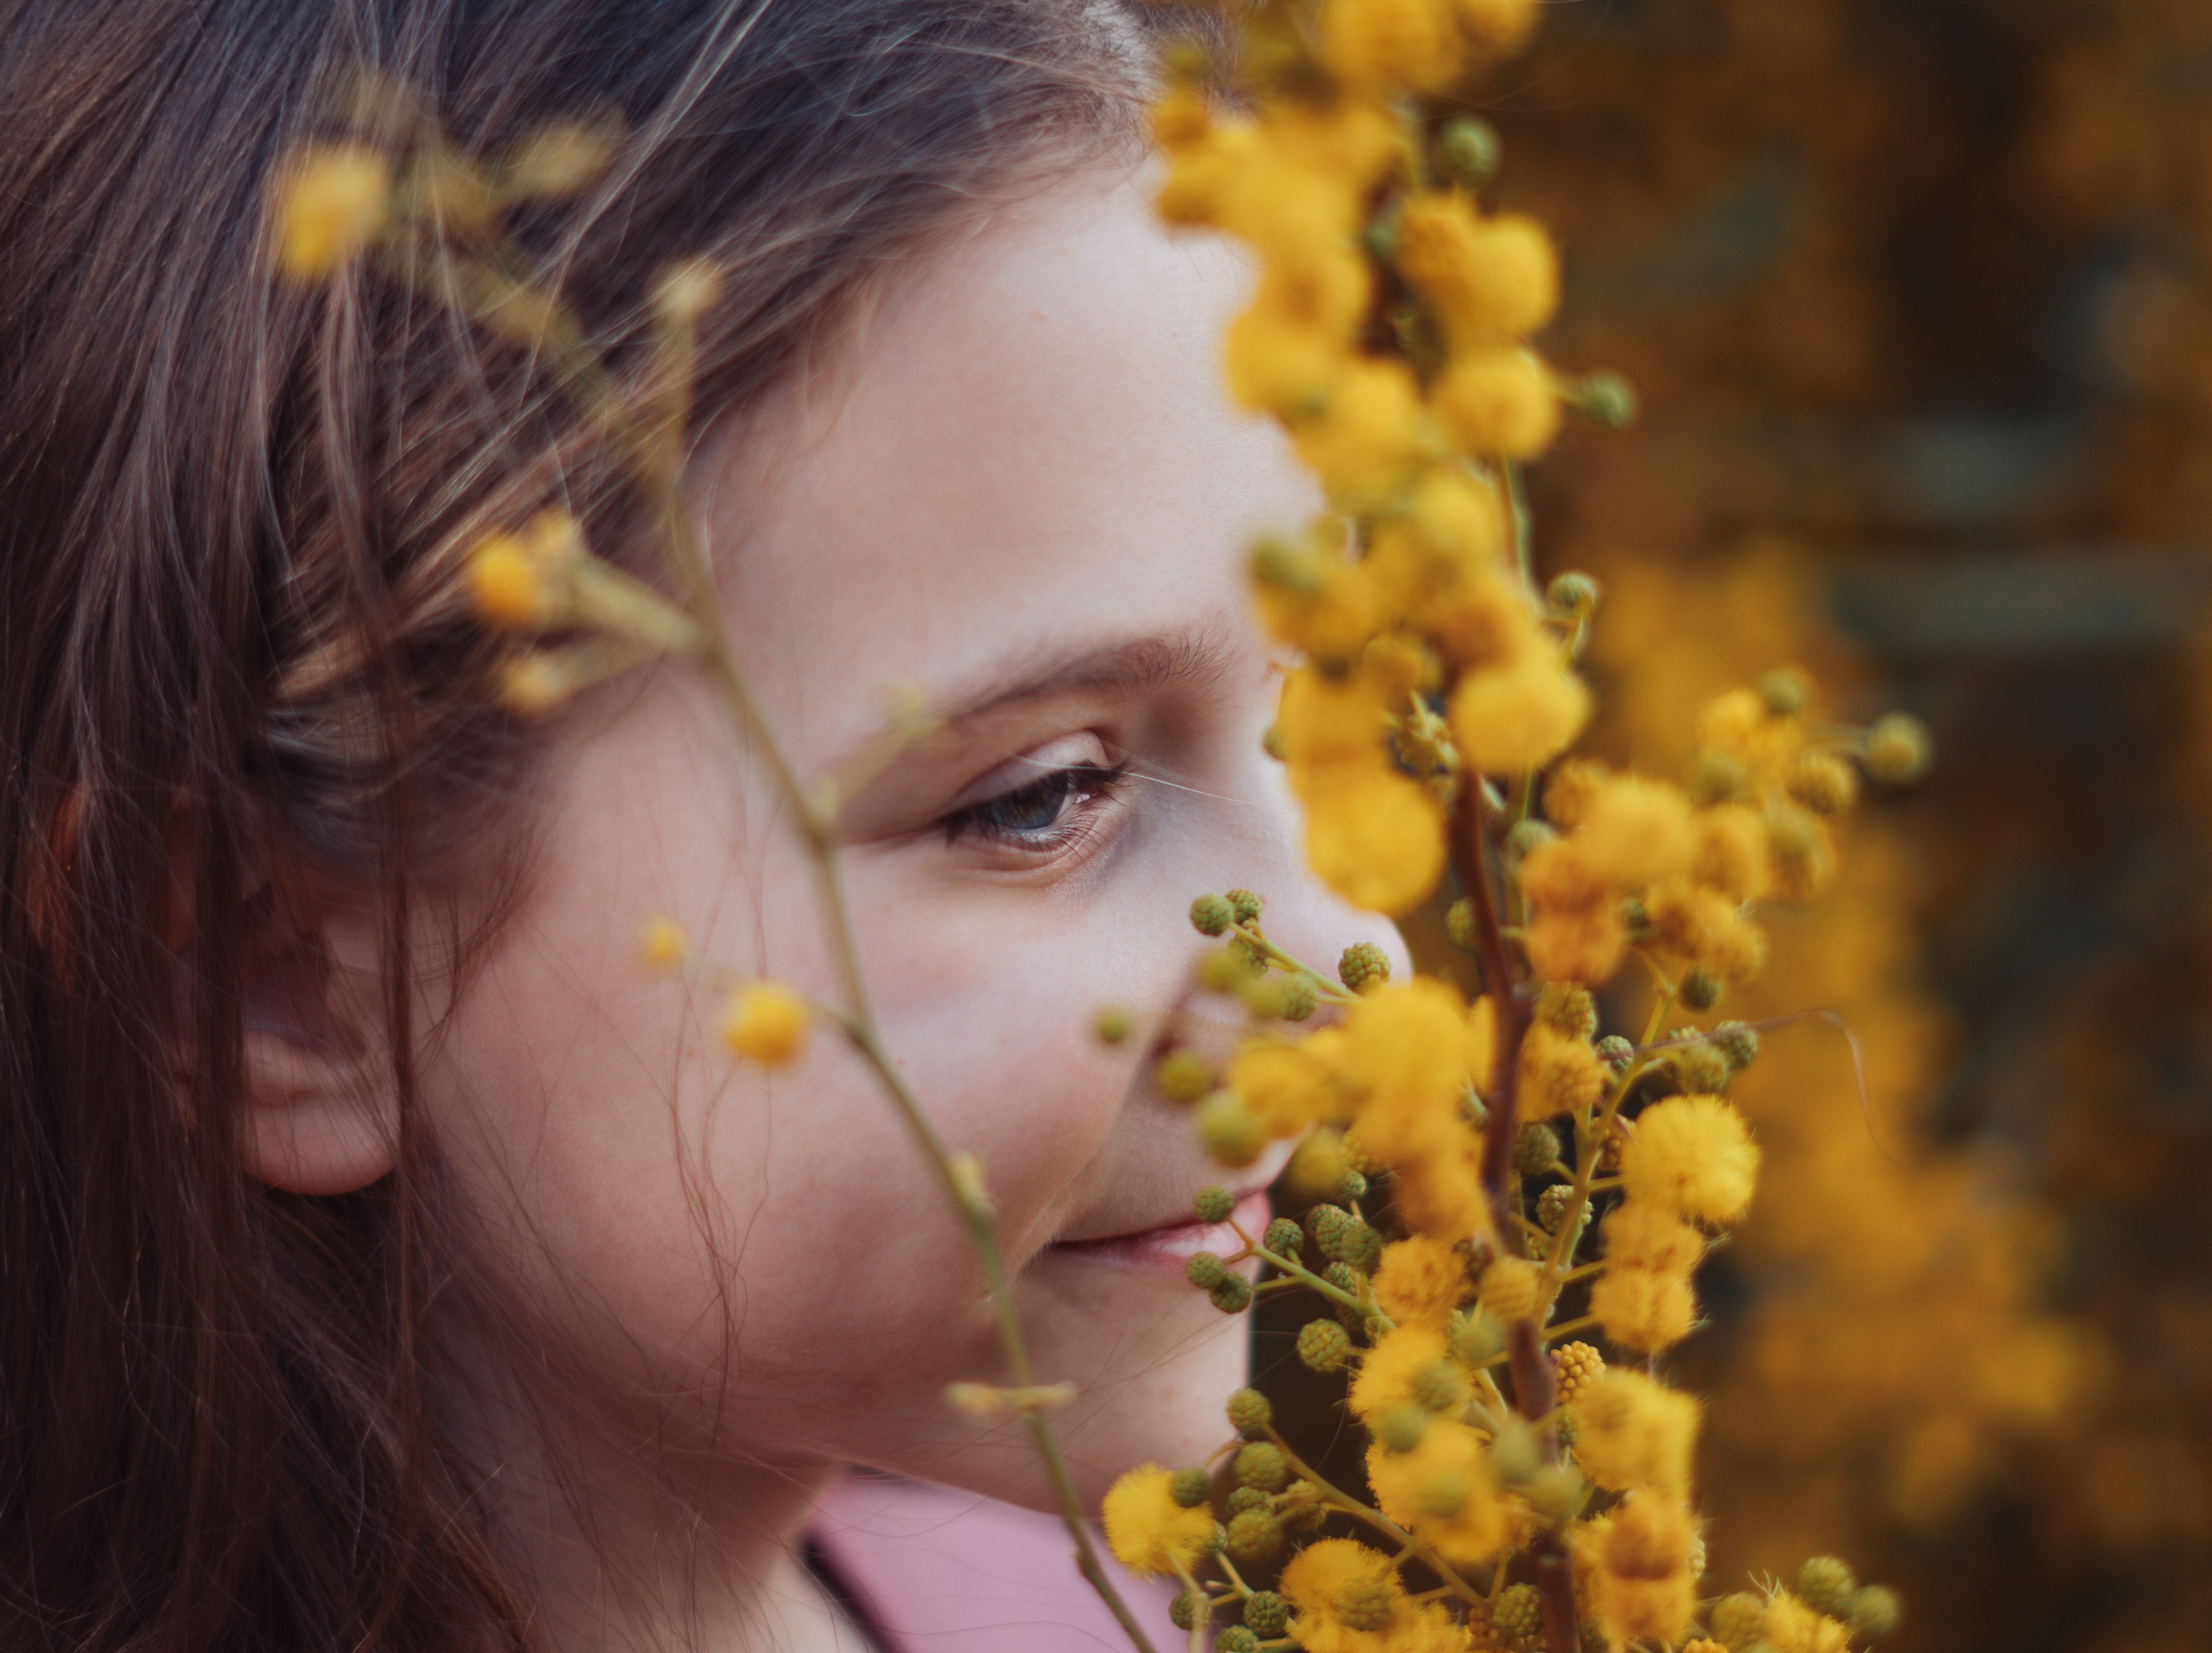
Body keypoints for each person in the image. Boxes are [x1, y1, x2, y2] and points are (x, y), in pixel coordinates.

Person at [0, 1, 1404, 1649]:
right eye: (1044, 797)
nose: (1350, 961)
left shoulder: (1074, 1612)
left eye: (1328, 718)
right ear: (275, 974)